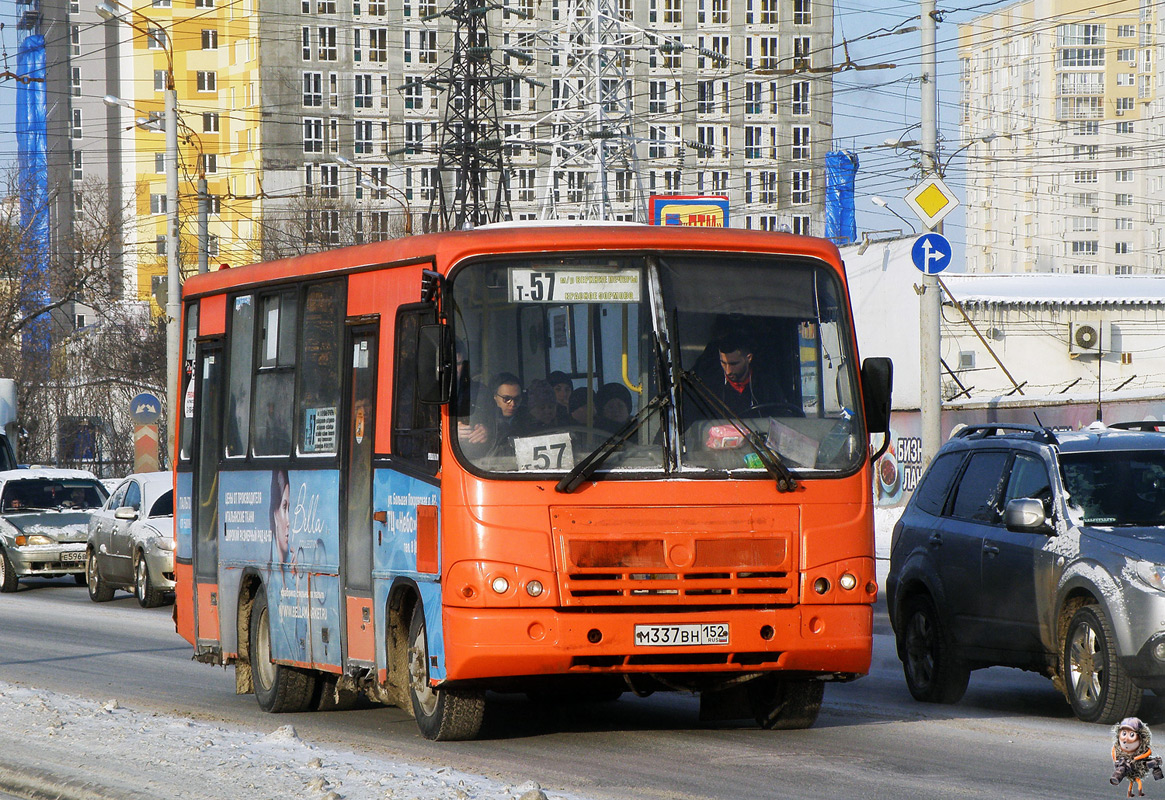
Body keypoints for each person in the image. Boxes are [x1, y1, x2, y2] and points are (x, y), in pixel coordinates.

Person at [711, 328, 791, 418]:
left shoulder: (767, 385)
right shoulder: (711, 387)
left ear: (749, 358)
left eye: (733, 364)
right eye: (723, 363)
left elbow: (783, 416)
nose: (728, 371)